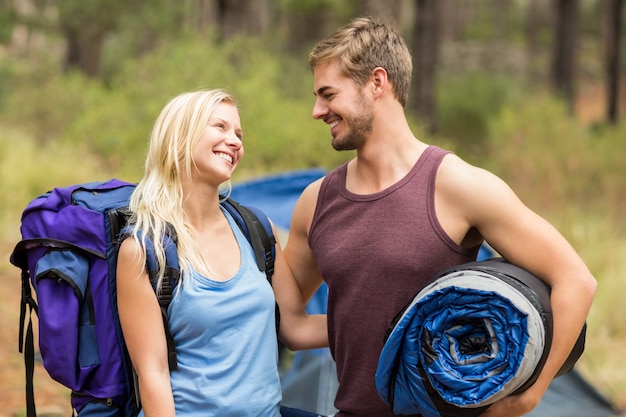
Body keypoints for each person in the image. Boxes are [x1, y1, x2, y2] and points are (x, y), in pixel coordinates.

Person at [282, 17, 597, 417]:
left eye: (328, 94)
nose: (316, 111)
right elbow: (291, 325)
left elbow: (576, 281)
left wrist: (527, 397)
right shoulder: (317, 201)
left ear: (377, 82)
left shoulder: (459, 185)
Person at [116, 89, 327, 417]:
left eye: (239, 134)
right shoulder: (145, 248)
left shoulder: (255, 228)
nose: (235, 141)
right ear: (180, 136)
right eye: (220, 127)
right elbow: (153, 373)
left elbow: (296, 328)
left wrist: (378, 324)